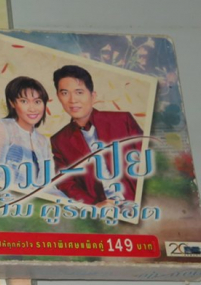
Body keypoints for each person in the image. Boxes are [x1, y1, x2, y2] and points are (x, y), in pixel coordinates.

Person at [50, 65, 143, 205]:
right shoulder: (59, 140)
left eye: (79, 92)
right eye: (64, 93)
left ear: (93, 96)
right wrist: (94, 205)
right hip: (102, 209)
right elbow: (65, 183)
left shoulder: (122, 120)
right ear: (58, 97)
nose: (72, 100)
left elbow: (147, 160)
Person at [0, 76, 53, 187]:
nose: (32, 108)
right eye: (24, 101)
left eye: (37, 102)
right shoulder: (2, 127)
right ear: (12, 103)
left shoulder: (42, 141)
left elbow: (45, 181)